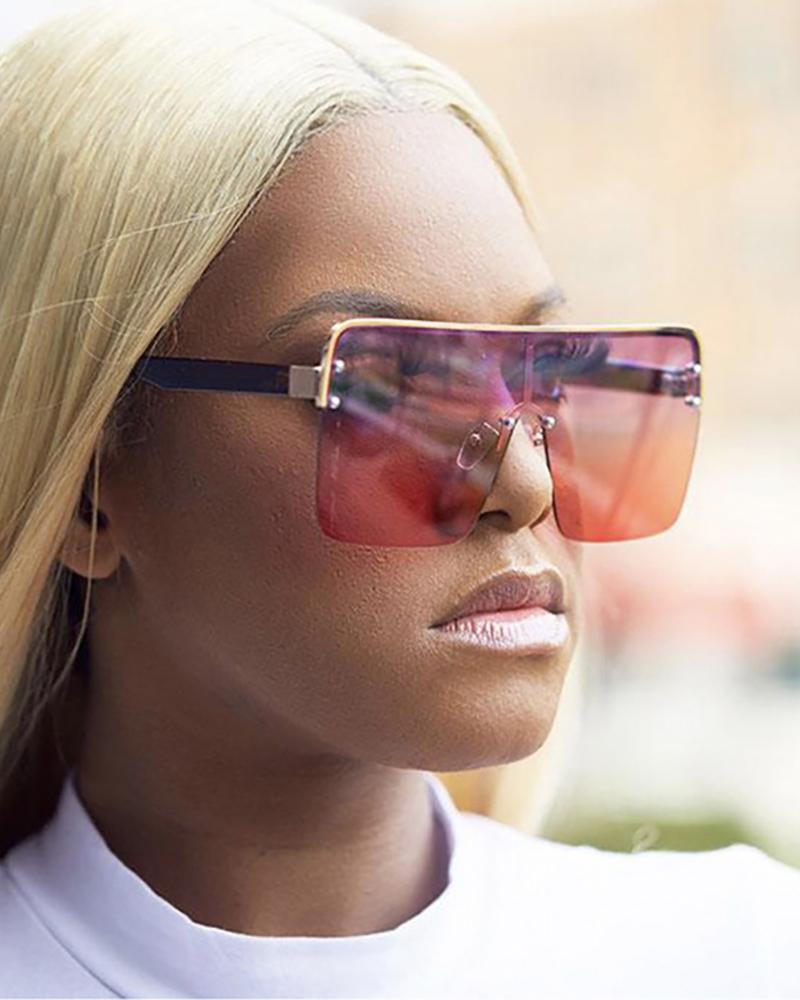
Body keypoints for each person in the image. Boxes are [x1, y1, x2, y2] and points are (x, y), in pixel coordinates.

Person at [0, 0, 797, 997]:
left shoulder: (744, 954)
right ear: (90, 490)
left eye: (551, 377)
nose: (528, 484)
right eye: (389, 391)